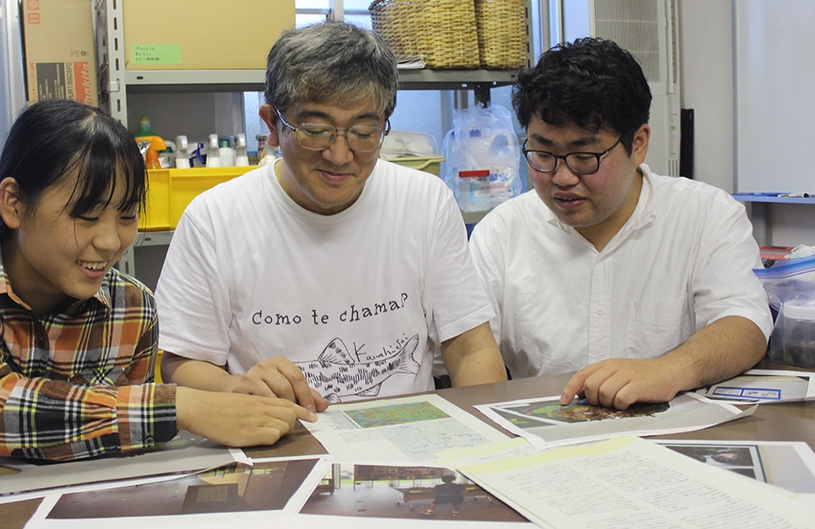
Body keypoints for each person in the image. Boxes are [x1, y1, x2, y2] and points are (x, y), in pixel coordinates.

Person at [0, 99, 314, 461]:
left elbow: (125, 448)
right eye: (85, 217)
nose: (109, 242)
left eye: (126, 217)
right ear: (13, 203)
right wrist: (180, 404)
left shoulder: (133, 306)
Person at [155, 21, 506, 410]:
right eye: (316, 131)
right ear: (272, 125)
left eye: (363, 132)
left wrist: (488, 441)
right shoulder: (214, 219)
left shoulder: (425, 202)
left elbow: (472, 348)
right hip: (278, 437)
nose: (340, 156)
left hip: (407, 436)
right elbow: (183, 362)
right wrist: (234, 390)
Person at [468, 38, 773, 410]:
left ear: (638, 143)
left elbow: (745, 325)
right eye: (543, 153)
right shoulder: (501, 232)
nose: (562, 177)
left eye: (584, 156)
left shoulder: (705, 215)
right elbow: (470, 350)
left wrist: (667, 370)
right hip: (549, 440)